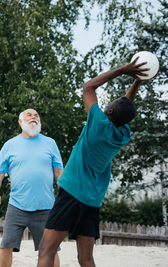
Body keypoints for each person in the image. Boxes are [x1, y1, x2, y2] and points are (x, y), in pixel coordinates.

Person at [37, 58, 150, 267]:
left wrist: (123, 70)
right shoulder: (123, 134)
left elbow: (88, 86)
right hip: (92, 201)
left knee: (46, 250)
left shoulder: (97, 123)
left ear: (109, 112)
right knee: (86, 258)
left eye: (111, 103)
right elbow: (125, 107)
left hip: (72, 194)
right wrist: (137, 81)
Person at [0, 109, 63, 267]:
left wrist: (65, 196)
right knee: (6, 246)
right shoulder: (10, 145)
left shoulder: (50, 143)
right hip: (17, 205)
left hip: (45, 207)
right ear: (20, 122)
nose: (34, 117)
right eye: (29, 115)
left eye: (36, 115)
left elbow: (59, 173)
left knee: (49, 249)